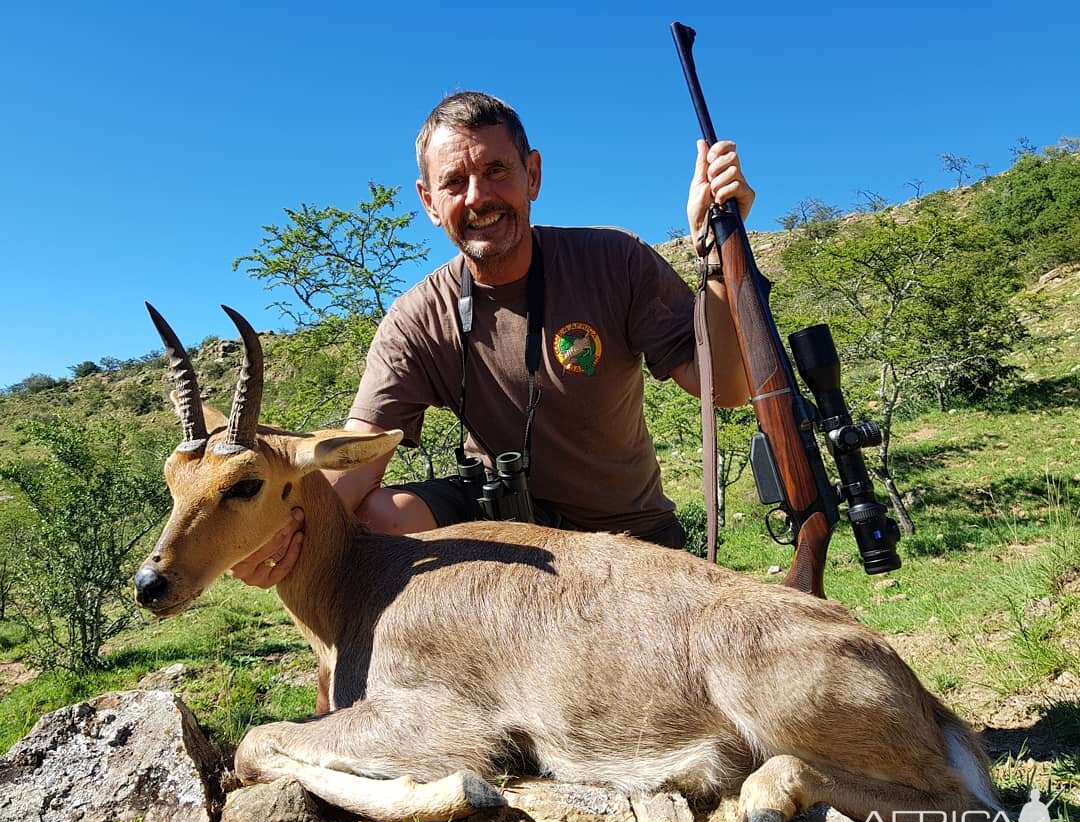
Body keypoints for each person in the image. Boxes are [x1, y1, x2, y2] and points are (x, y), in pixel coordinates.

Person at [232, 91, 754, 587]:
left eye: (496, 171)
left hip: (628, 531)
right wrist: (273, 538)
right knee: (378, 518)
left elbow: (725, 388)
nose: (478, 197)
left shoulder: (615, 260)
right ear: (429, 201)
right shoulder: (417, 316)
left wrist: (715, 253)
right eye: (454, 182)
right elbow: (358, 459)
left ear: (532, 175)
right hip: (504, 524)